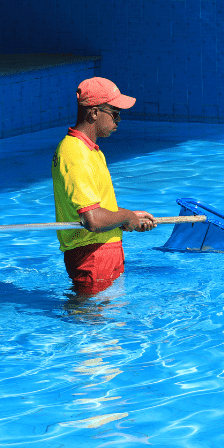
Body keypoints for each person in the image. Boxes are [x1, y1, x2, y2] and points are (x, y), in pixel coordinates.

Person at [51, 77, 157, 295]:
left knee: (107, 322)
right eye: (115, 113)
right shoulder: (74, 153)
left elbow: (98, 209)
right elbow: (92, 219)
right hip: (93, 256)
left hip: (102, 253)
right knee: (91, 323)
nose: (118, 120)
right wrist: (126, 217)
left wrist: (130, 217)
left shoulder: (91, 151)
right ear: (94, 113)